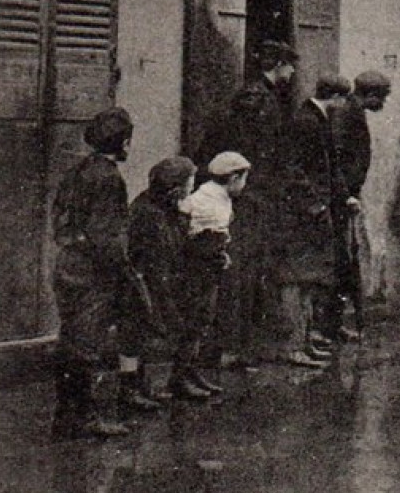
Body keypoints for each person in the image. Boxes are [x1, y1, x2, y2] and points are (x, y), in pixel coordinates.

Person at [196, 39, 299, 367]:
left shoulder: (258, 97)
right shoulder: (259, 101)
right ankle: (231, 347)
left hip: (252, 193)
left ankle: (241, 345)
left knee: (250, 269)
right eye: (289, 65)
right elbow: (258, 153)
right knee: (242, 270)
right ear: (279, 65)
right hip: (252, 195)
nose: (293, 72)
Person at [50, 108, 137, 438]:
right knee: (85, 343)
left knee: (71, 336)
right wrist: (121, 269)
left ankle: (68, 416)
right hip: (92, 273)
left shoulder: (79, 170)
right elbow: (107, 236)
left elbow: (61, 219)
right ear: (122, 143)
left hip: (69, 264)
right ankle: (80, 418)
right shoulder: (109, 178)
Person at [277, 75, 351, 368]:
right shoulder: (306, 122)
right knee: (296, 280)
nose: (344, 106)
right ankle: (293, 346)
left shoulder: (316, 119)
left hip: (314, 212)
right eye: (343, 100)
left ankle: (304, 342)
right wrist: (314, 203)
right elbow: (292, 170)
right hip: (301, 215)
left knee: (309, 279)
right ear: (334, 98)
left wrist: (342, 198)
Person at [122, 155, 196, 412]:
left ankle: (140, 387)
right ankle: (130, 390)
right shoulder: (150, 213)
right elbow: (156, 254)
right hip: (141, 280)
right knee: (134, 335)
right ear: (176, 186)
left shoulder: (162, 206)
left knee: (140, 334)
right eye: (190, 181)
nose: (192, 186)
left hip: (152, 278)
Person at [175, 152, 250, 400]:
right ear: (233, 178)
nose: (244, 185)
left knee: (200, 319)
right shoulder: (212, 204)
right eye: (243, 179)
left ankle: (190, 371)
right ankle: (181, 375)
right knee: (195, 319)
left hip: (204, 266)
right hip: (199, 270)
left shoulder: (212, 194)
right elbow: (207, 240)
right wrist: (219, 255)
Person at [325, 70, 391, 341]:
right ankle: (328, 325)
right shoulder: (345, 113)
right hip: (341, 200)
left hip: (348, 198)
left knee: (346, 260)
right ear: (371, 95)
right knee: (340, 261)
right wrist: (345, 196)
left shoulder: (354, 110)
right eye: (382, 98)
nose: (384, 104)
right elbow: (336, 160)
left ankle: (333, 323)